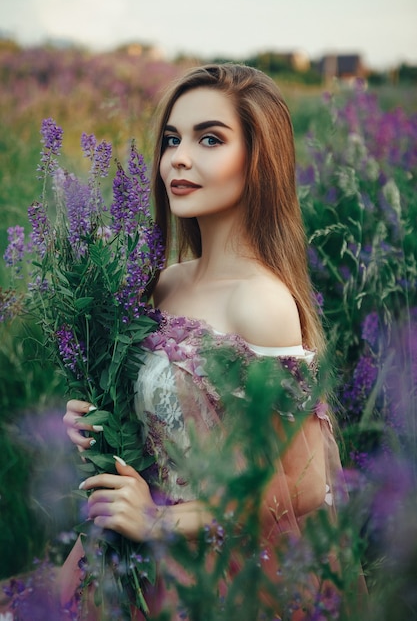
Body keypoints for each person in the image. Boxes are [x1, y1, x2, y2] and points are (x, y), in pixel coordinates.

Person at [60, 64, 351, 620]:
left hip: (221, 572)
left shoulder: (260, 302)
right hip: (128, 554)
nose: (178, 158)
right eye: (172, 139)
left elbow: (306, 486)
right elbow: (160, 427)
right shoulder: (163, 283)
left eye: (209, 139)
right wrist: (95, 427)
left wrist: (162, 520)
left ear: (258, 157)